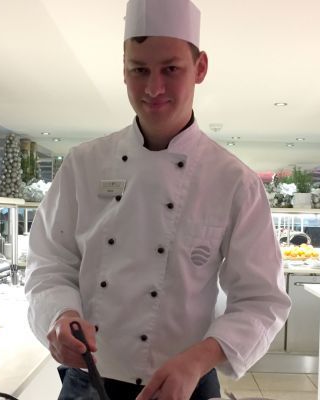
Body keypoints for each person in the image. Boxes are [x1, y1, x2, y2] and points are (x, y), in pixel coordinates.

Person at [25, 1, 291, 399]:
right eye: (139, 70)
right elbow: (49, 264)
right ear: (124, 70)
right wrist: (61, 315)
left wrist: (200, 358)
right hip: (87, 381)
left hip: (185, 382)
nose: (153, 88)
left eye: (170, 69)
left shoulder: (234, 181)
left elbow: (262, 300)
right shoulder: (83, 165)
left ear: (200, 68)